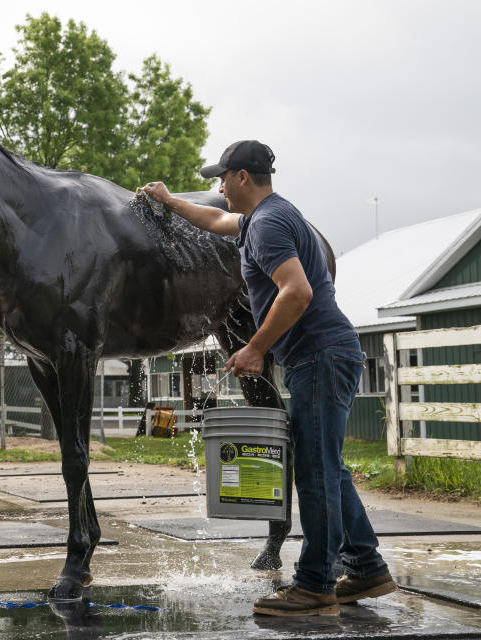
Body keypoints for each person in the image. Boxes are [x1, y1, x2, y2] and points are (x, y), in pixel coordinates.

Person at [143, 140, 396, 617]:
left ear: (242, 177)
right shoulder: (267, 217)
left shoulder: (269, 225)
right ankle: (365, 566)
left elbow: (296, 292)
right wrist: (172, 201)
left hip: (318, 355)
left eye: (222, 177)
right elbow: (217, 221)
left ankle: (315, 583)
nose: (217, 186)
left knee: (317, 471)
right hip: (324, 354)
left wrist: (255, 348)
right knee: (329, 465)